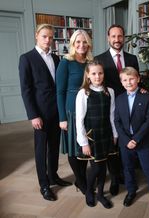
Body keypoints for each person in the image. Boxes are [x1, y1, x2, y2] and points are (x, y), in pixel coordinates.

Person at [19, 24, 72, 201]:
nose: (48, 40)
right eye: (44, 36)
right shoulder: (27, 58)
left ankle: (53, 176)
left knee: (55, 146)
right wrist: (33, 115)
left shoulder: (56, 58)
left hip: (56, 111)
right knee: (41, 149)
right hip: (40, 113)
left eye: (50, 37)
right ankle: (44, 184)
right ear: (37, 36)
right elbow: (26, 90)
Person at [114, 67, 149, 213]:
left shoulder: (146, 97)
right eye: (125, 80)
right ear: (121, 82)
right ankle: (131, 191)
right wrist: (127, 140)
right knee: (128, 169)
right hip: (125, 143)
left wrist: (136, 139)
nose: (129, 82)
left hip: (143, 142)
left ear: (138, 79)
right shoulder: (119, 99)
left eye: (132, 78)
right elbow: (117, 121)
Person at [95, 24, 139, 196]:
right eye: (113, 36)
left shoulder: (132, 58)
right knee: (112, 143)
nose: (117, 40)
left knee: (125, 139)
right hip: (109, 107)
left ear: (124, 37)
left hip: (129, 106)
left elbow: (136, 81)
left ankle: (126, 174)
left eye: (120, 36)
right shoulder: (100, 59)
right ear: (108, 38)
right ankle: (114, 177)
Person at [75, 60, 117, 208]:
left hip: (106, 134)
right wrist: (84, 142)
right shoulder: (83, 93)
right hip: (92, 136)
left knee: (103, 166)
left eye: (100, 73)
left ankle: (100, 194)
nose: (97, 76)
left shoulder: (109, 91)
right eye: (93, 73)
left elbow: (111, 115)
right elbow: (79, 120)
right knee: (96, 167)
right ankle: (88, 191)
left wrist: (115, 134)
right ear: (88, 75)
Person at [56, 29, 93, 194]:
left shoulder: (91, 62)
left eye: (84, 41)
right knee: (73, 148)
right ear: (72, 44)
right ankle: (81, 181)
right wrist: (62, 117)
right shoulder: (65, 62)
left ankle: (82, 179)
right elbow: (60, 92)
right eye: (78, 42)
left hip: (88, 110)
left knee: (85, 145)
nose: (81, 45)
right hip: (71, 111)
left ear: (88, 44)